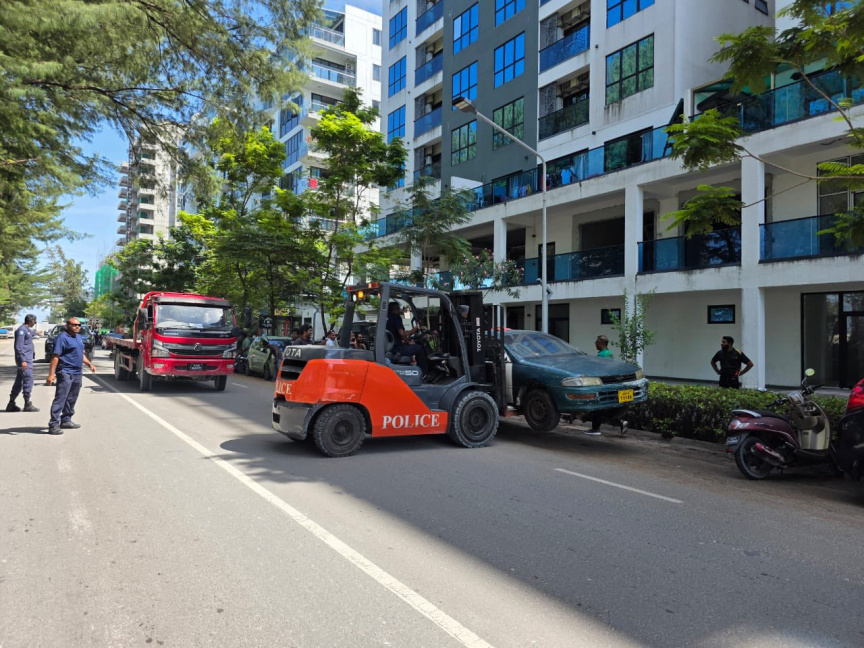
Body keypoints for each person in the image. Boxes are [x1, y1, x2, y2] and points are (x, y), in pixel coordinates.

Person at [46, 317, 97, 435]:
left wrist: (89, 364)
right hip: (65, 372)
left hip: (77, 372)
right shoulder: (62, 338)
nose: (77, 327)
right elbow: (55, 357)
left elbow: (81, 354)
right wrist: (51, 374)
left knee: (72, 397)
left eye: (79, 325)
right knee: (61, 398)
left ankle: (66, 420)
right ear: (67, 325)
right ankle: (53, 424)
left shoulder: (78, 337)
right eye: (74, 325)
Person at [7, 314, 39, 413]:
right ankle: (27, 403)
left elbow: (31, 333)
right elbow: (18, 347)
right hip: (25, 360)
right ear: (31, 321)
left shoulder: (26, 330)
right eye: (34, 321)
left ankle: (11, 403)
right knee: (28, 380)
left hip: (26, 359)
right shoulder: (21, 330)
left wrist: (37, 332)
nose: (35, 323)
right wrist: (22, 360)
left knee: (19, 382)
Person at [385, 302, 428, 372]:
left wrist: (412, 331)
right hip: (397, 349)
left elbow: (400, 333)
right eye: (398, 308)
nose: (399, 310)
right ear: (394, 309)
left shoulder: (386, 318)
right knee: (419, 348)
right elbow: (401, 333)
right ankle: (424, 372)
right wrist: (408, 341)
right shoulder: (396, 318)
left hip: (391, 347)